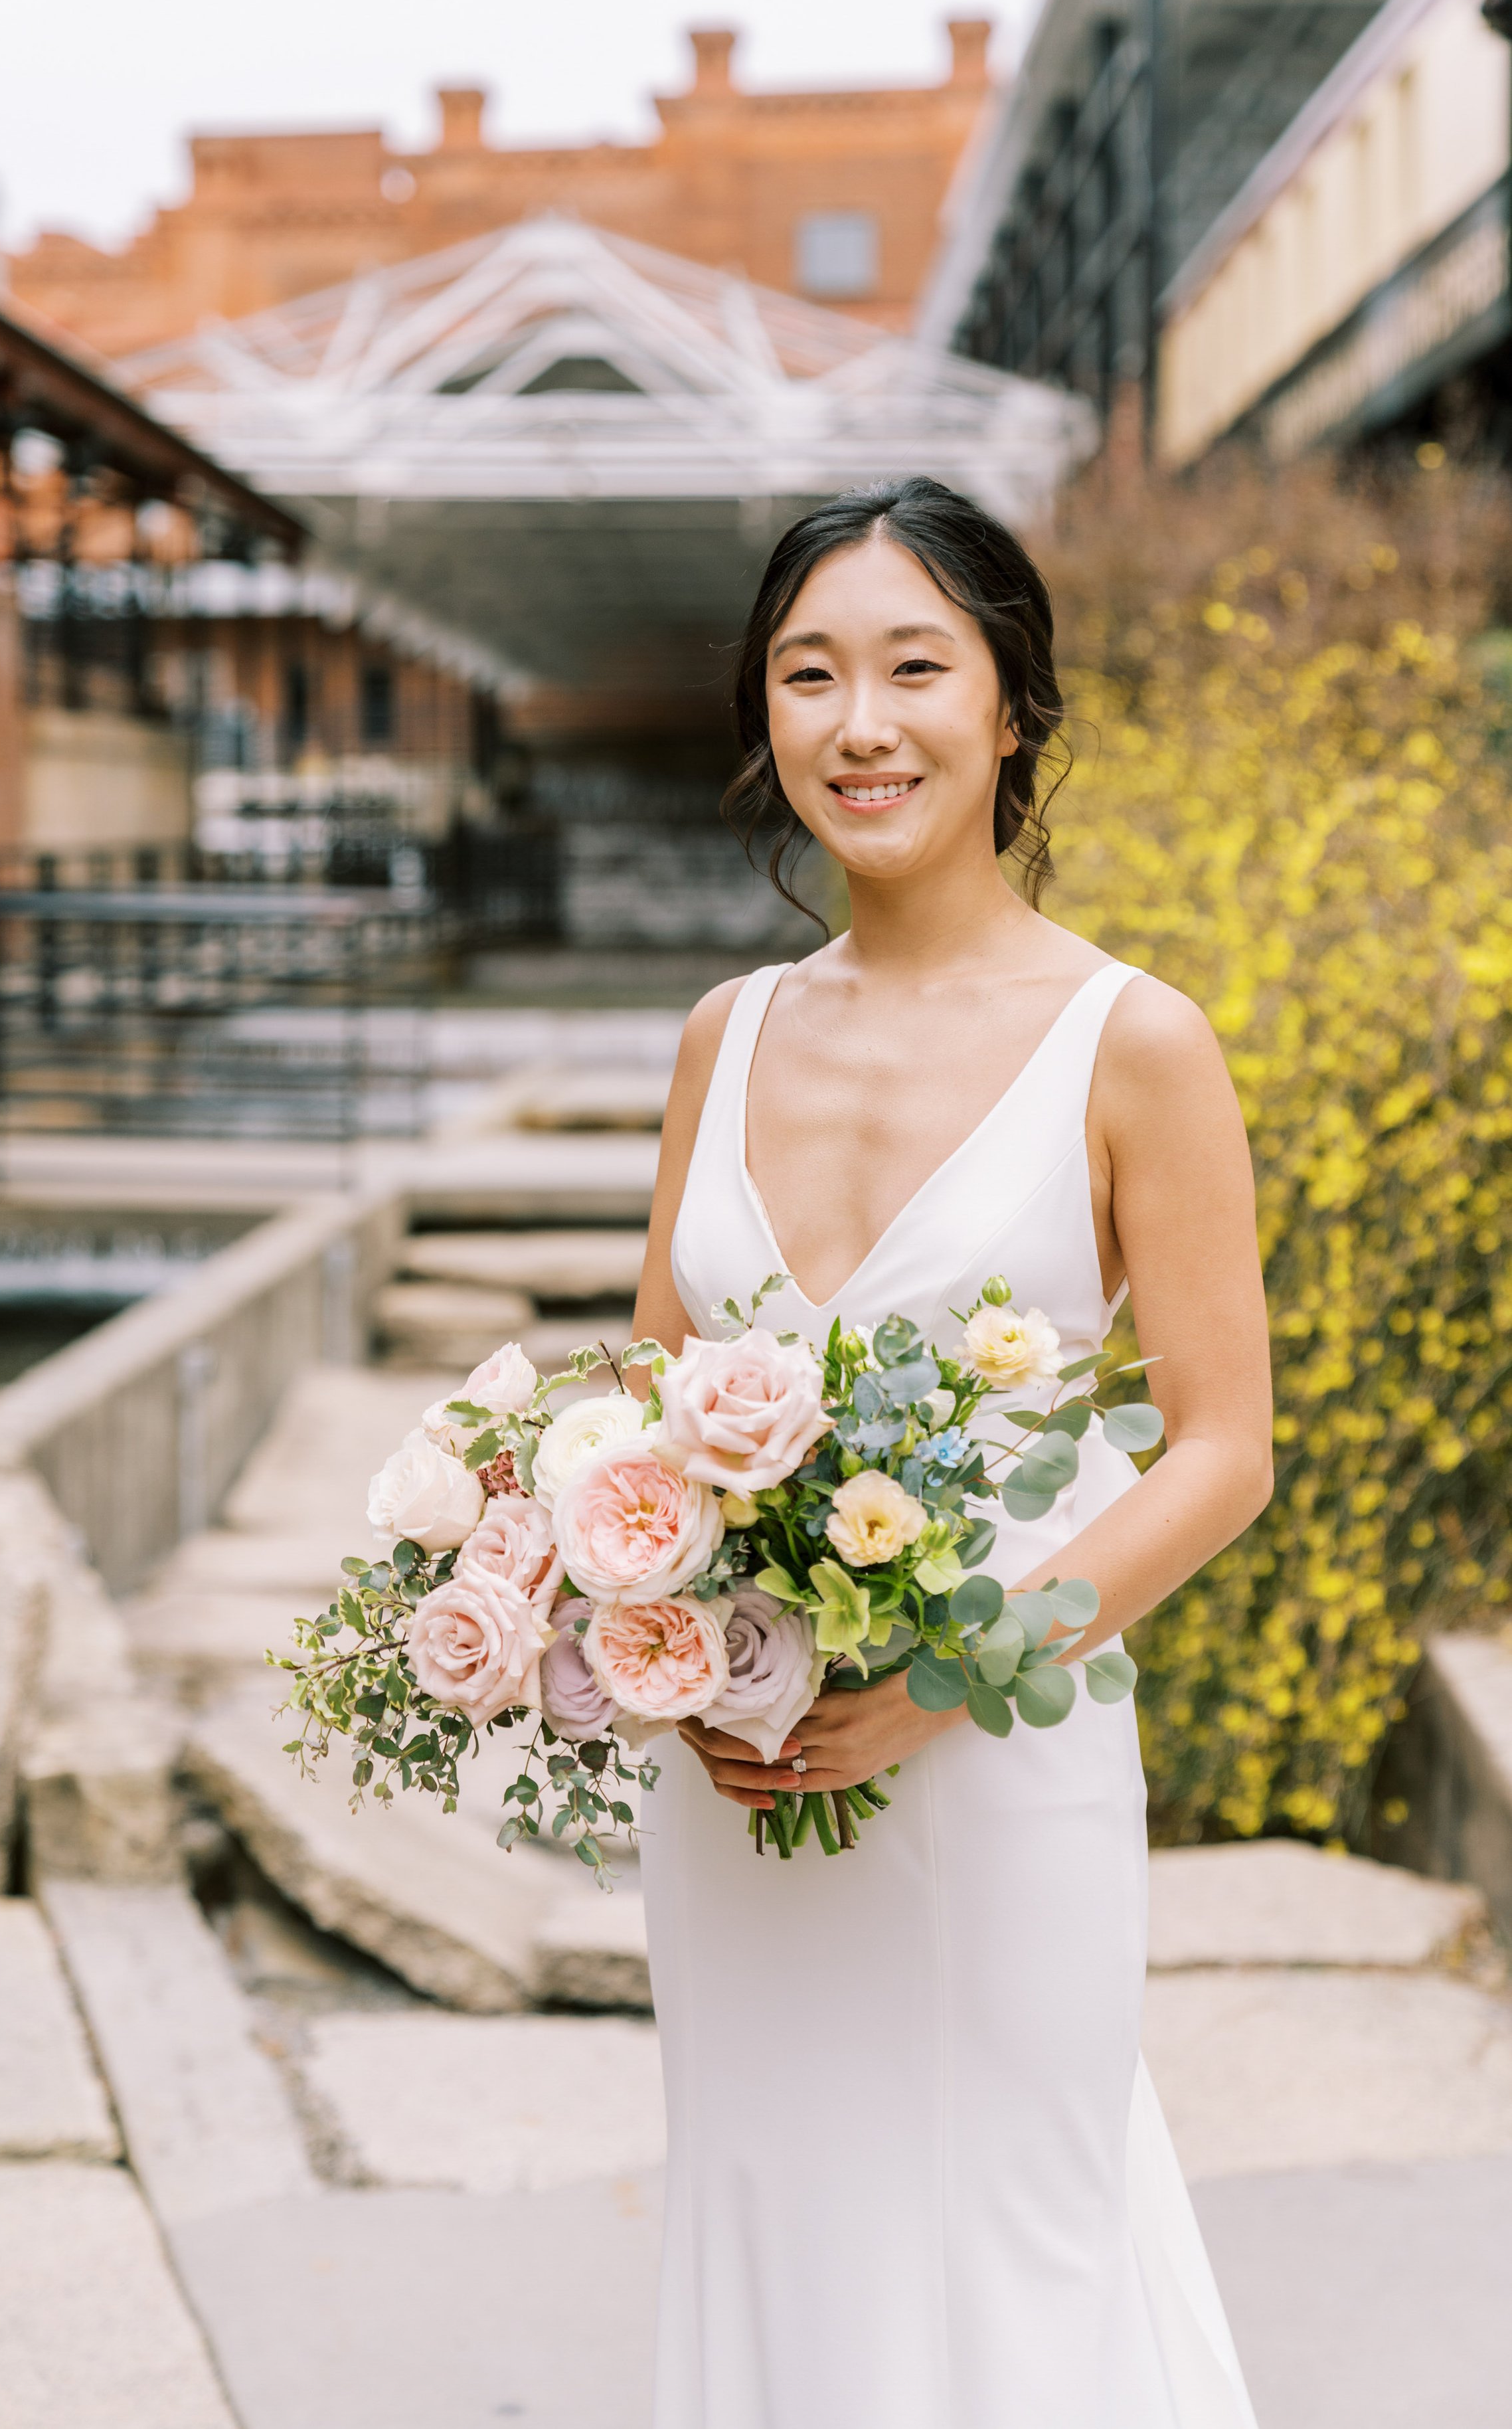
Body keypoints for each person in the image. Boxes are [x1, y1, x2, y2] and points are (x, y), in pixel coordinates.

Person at [629, 476, 1274, 2428]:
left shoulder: (1129, 1039)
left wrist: (944, 1671)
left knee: (1018, 2237)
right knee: (767, 2218)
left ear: (1010, 709)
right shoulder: (720, 1036)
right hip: (738, 1784)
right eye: (807, 671)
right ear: (765, 718)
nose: (858, 721)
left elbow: (1221, 1445)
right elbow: (640, 1410)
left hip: (1000, 1754)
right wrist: (629, 1632)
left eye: (916, 665)